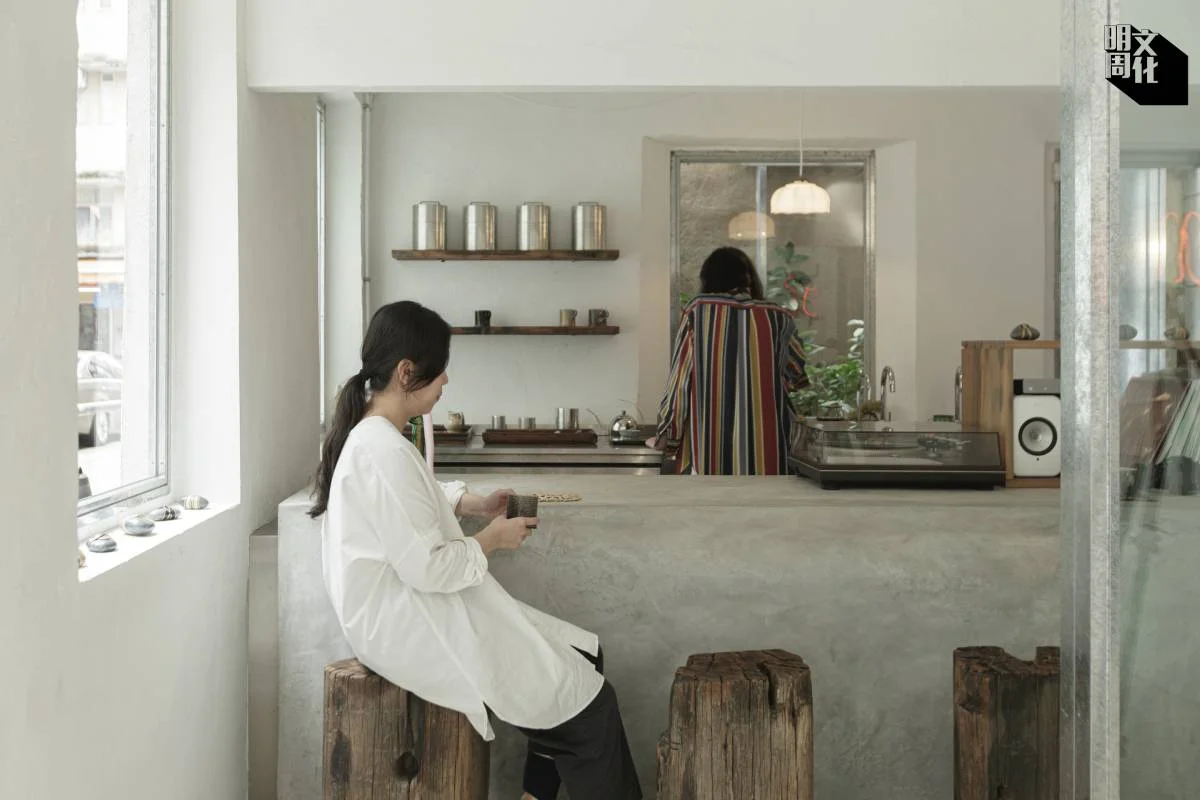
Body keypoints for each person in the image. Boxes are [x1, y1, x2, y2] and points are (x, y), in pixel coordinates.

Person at [310, 301, 641, 800]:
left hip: (411, 607)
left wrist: (474, 503)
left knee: (584, 660)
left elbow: (410, 504)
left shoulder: (378, 439)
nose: (446, 381)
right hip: (410, 621)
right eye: (440, 369)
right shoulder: (380, 450)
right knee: (592, 711)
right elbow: (428, 567)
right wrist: (492, 540)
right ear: (406, 372)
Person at [653, 246, 809, 475]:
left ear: (708, 280)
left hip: (710, 454)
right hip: (769, 454)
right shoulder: (779, 317)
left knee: (714, 497)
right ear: (749, 279)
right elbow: (796, 374)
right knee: (769, 499)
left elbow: (680, 385)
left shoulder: (697, 312)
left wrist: (669, 437)